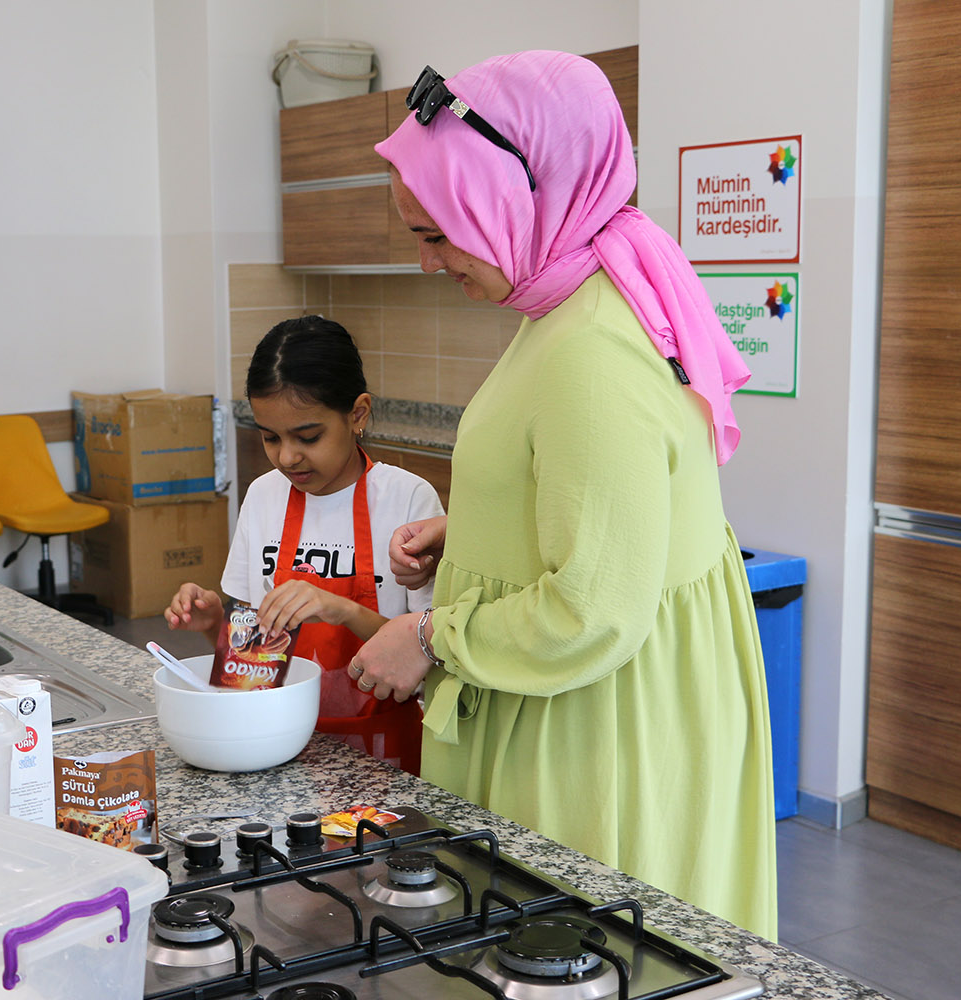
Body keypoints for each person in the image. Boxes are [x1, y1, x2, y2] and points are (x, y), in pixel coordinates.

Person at [346, 51, 777, 938]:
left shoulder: (591, 353)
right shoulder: (568, 301)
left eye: (437, 234)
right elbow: (598, 502)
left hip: (591, 722)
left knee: (573, 953)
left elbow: (593, 609)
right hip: (585, 698)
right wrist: (472, 531)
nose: (429, 264)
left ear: (516, 200)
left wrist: (430, 634)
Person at [165, 316, 444, 772]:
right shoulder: (263, 496)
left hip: (386, 753)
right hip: (279, 744)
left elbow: (430, 655)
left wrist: (341, 609)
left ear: (358, 414)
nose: (287, 456)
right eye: (270, 437)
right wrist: (214, 622)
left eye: (308, 436)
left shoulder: (408, 500)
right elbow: (254, 660)